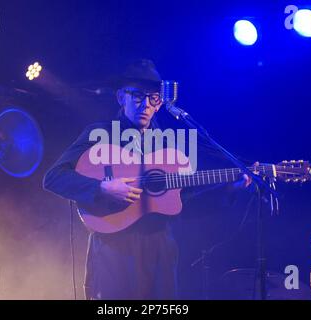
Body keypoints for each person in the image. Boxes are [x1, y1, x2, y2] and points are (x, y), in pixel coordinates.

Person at [43, 59, 251, 299]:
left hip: (159, 248)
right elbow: (54, 177)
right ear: (121, 97)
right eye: (138, 96)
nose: (146, 104)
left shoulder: (168, 145)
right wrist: (101, 187)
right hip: (113, 245)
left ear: (160, 103)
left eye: (154, 98)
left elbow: (183, 204)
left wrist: (229, 190)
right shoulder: (99, 133)